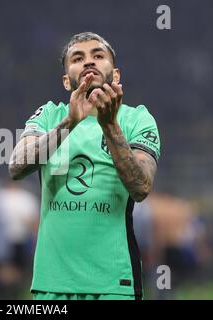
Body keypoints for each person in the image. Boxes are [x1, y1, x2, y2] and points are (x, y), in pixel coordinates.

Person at [9, 32, 161, 300]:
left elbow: (141, 187)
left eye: (98, 56)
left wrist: (110, 125)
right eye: (78, 58)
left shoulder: (137, 119)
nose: (89, 62)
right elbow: (16, 166)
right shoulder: (49, 115)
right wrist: (69, 123)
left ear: (115, 75)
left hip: (114, 282)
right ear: (67, 81)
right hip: (52, 283)